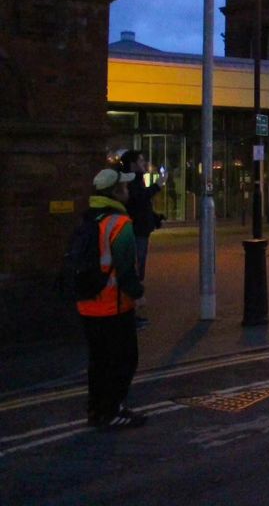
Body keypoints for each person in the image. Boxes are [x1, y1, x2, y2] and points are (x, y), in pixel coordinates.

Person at [78, 167, 147, 430]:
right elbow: (126, 269)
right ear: (116, 192)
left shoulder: (89, 218)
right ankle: (112, 410)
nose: (128, 191)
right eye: (125, 187)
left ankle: (96, 410)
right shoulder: (120, 224)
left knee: (98, 361)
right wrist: (138, 295)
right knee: (124, 359)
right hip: (114, 305)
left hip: (88, 303)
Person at [118, 150, 161, 329]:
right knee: (134, 270)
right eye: (142, 160)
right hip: (136, 232)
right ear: (133, 163)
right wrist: (157, 186)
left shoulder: (136, 179)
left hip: (141, 230)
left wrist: (155, 217)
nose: (144, 163)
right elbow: (138, 200)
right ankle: (128, 313)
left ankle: (130, 311)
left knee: (137, 269)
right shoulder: (131, 181)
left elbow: (142, 205)